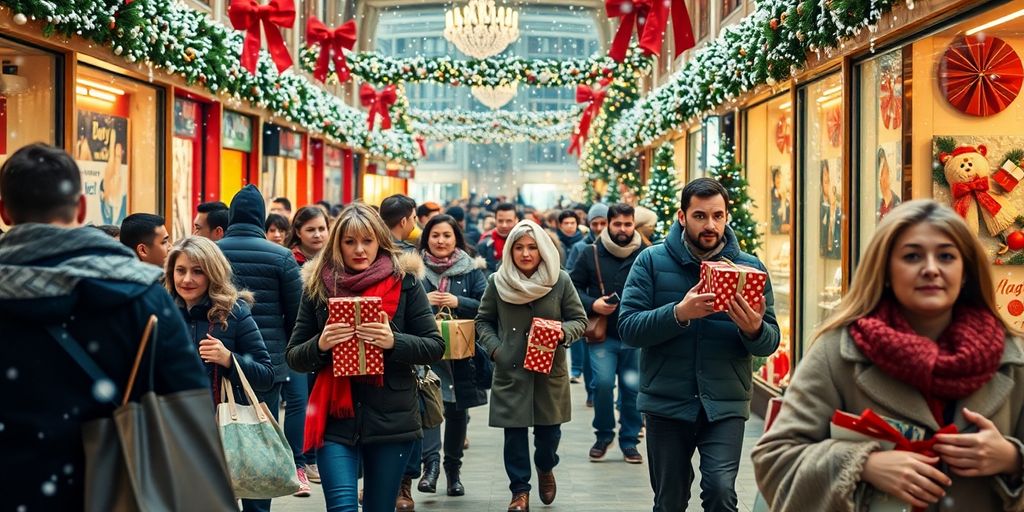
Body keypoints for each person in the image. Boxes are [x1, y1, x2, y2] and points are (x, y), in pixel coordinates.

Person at [752, 199, 1024, 511]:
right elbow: (775, 462)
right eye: (912, 256)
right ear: (885, 269)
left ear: (965, 272)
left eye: (946, 256)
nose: (931, 269)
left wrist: (1012, 459)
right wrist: (862, 464)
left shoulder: (1013, 357)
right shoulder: (837, 352)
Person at [0, 143, 216, 510]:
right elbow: (189, 413)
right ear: (82, 208)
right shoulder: (142, 295)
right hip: (116, 488)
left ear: (4, 212)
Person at [618, 177, 781, 512]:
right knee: (670, 500)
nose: (711, 225)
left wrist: (753, 330)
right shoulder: (651, 261)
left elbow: (769, 342)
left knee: (722, 492)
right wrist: (678, 313)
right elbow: (628, 328)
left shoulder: (750, 268)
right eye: (700, 216)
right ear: (682, 217)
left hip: (725, 404)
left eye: (718, 216)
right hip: (667, 402)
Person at [286, 202, 444, 512]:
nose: (360, 250)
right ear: (337, 244)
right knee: (342, 507)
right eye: (350, 242)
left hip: (392, 418)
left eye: (367, 241)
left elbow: (434, 346)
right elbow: (294, 356)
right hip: (334, 417)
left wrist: (392, 341)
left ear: (380, 241)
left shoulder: (405, 281)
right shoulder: (319, 284)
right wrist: (321, 344)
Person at [475, 219, 588, 512]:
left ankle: (546, 466)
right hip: (511, 369)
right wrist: (496, 349)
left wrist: (563, 333)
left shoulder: (559, 280)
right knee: (513, 436)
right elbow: (483, 321)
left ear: (543, 250)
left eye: (532, 247)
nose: (526, 254)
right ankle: (519, 492)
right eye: (519, 248)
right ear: (509, 251)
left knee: (549, 436)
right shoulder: (497, 282)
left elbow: (580, 319)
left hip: (549, 371)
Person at [219, 184, 304, 511]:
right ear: (260, 217)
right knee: (260, 436)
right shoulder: (281, 256)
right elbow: (297, 315)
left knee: (220, 434)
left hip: (219, 359)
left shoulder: (213, 250)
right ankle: (257, 507)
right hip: (266, 365)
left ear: (231, 215)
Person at [413, 214, 490, 502]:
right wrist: (424, 302)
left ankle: (453, 472)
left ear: (456, 238)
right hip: (426, 355)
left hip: (460, 355)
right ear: (426, 239)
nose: (441, 241)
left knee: (458, 415)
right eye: (435, 235)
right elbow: (401, 307)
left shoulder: (471, 270)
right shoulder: (414, 270)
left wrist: (459, 302)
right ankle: (430, 468)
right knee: (429, 410)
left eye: (447, 235)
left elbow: (486, 307)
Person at [570, 203, 649, 465]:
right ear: (608, 223)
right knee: (602, 385)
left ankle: (629, 441)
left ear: (634, 224)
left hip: (635, 335)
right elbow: (572, 289)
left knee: (632, 389)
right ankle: (603, 435)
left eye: (628, 224)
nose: (623, 229)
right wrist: (593, 304)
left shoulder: (646, 254)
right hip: (603, 336)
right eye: (618, 224)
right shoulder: (590, 253)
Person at [164, 236, 275, 403]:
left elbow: (266, 377)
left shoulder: (234, 312)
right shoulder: (163, 312)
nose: (187, 279)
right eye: (180, 270)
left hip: (219, 421)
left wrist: (229, 359)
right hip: (172, 418)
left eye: (198, 271)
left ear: (213, 273)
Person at [566, 203, 608, 394]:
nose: (598, 228)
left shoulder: (615, 247)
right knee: (590, 352)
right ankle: (591, 391)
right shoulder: (581, 247)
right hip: (588, 308)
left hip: (611, 308)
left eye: (603, 223)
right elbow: (573, 278)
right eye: (595, 223)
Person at [476, 203, 521, 275]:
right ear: (495, 221)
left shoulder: (523, 242)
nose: (504, 225)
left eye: (509, 221)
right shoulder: (484, 244)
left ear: (516, 220)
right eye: (500, 221)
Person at [820, 160, 842, 259]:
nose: (829, 187)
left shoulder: (838, 212)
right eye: (826, 182)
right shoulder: (821, 208)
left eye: (829, 181)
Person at [878, 147, 902, 221]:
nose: (883, 178)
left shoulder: (897, 204)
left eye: (886, 173)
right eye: (881, 174)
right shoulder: (877, 203)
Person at [770, 168, 791, 234]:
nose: (779, 180)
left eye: (780, 177)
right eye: (777, 177)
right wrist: (779, 227)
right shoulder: (771, 195)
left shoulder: (787, 199)